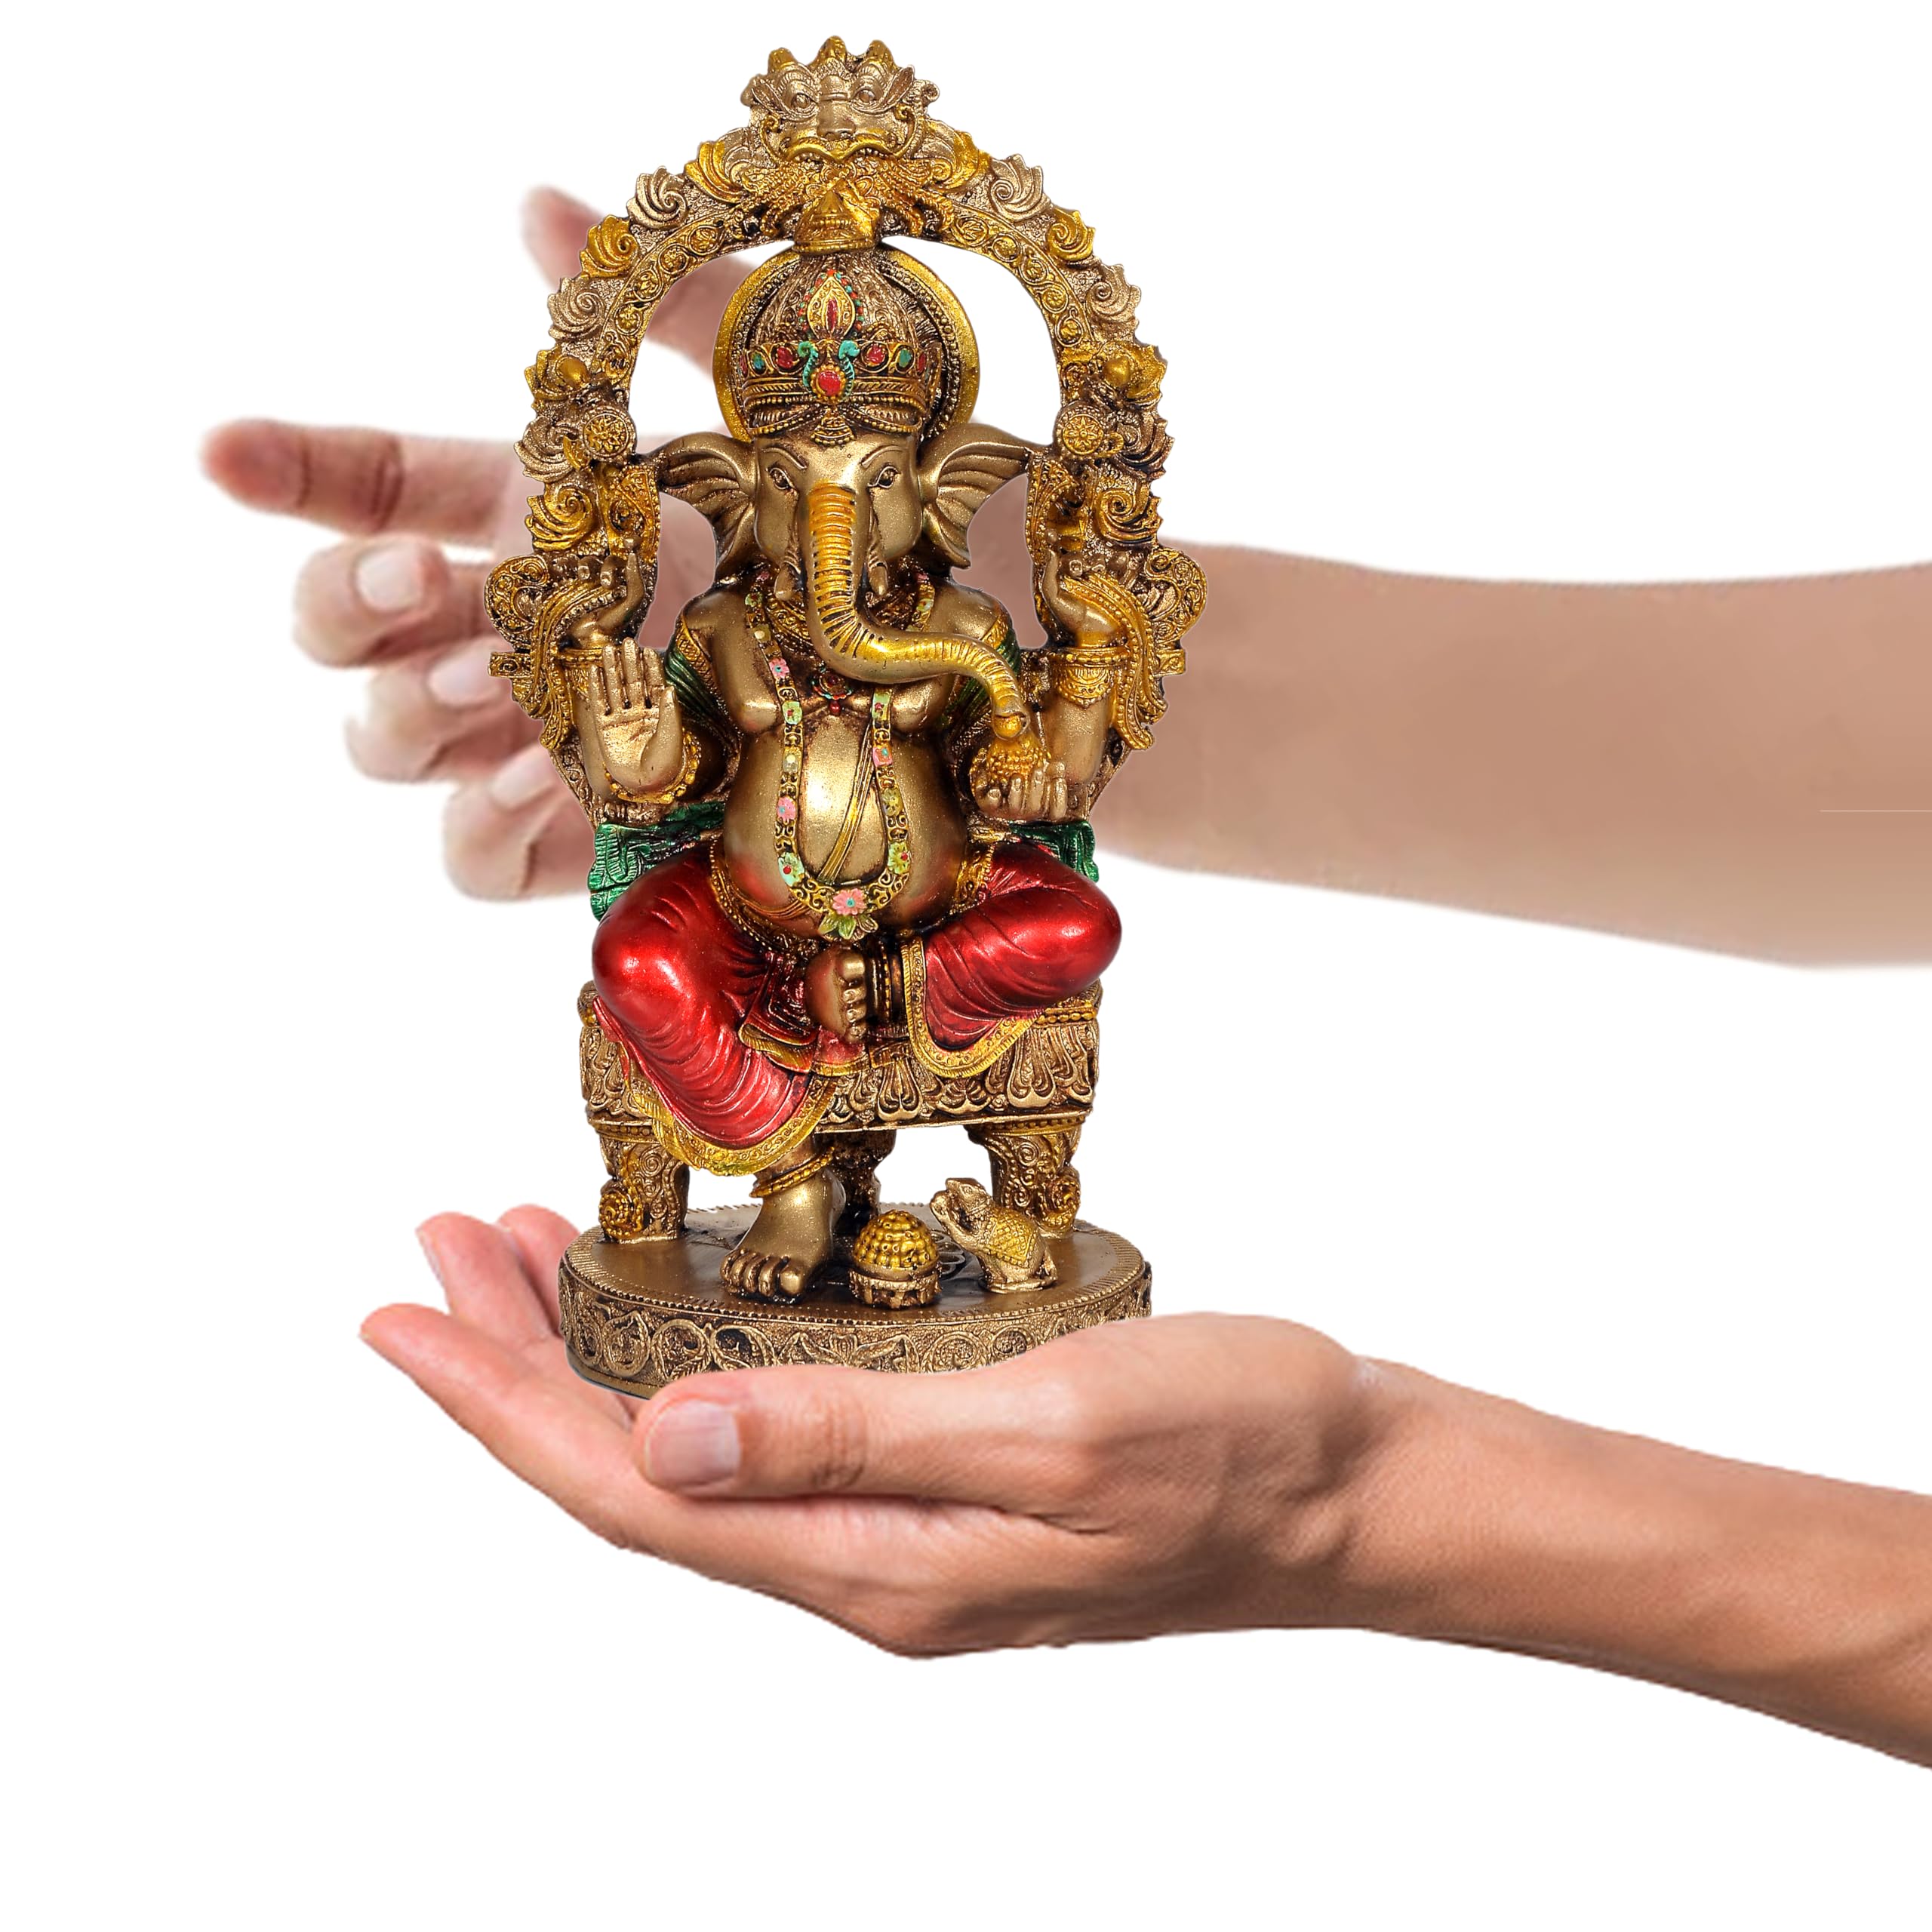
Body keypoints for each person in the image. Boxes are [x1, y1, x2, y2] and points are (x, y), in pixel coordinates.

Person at [205, 189, 1932, 1767]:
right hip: (756, 923)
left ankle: (869, 1071)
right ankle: (784, 1150)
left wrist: (1356, 1500)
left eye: (872, 489)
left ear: (939, 495)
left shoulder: (959, 628)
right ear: (736, 499)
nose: (830, 523)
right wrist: (619, 713)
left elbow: (1027, 769)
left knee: (1065, 928)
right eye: (794, 492)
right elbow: (661, 772)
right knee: (638, 948)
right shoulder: (729, 626)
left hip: (927, 922)